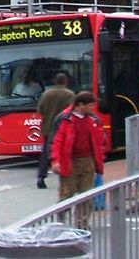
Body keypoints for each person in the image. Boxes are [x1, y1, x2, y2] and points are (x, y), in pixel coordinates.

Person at [50, 91, 104, 230]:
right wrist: (56, 160)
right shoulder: (64, 119)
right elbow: (57, 140)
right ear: (81, 105)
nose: (92, 108)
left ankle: (82, 224)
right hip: (69, 160)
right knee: (67, 193)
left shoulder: (93, 119)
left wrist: (99, 158)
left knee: (86, 194)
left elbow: (99, 141)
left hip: (88, 160)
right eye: (90, 105)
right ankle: (61, 219)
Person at [36, 73, 76, 189]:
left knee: (45, 153)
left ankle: (41, 177)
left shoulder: (46, 94)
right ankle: (66, 177)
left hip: (48, 128)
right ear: (65, 81)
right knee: (67, 152)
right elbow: (72, 111)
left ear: (55, 81)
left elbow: (40, 109)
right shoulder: (70, 94)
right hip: (64, 127)